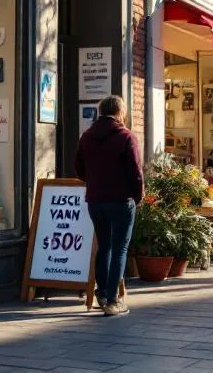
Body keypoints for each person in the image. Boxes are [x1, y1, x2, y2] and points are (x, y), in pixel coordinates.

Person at [75, 95, 143, 316]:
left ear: (100, 111)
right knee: (120, 248)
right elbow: (136, 172)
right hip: (121, 200)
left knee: (104, 246)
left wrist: (94, 182)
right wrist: (138, 196)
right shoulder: (126, 136)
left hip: (95, 200)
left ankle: (102, 293)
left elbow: (79, 168)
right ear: (121, 112)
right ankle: (113, 301)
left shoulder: (87, 136)